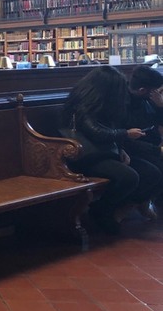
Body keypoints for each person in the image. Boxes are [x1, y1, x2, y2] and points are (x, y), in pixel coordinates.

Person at [61, 66, 161, 234]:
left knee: (152, 173)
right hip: (86, 155)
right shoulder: (83, 105)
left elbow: (111, 128)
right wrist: (126, 134)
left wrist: (121, 148)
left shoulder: (104, 102)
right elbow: (96, 132)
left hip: (106, 151)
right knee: (128, 176)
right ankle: (102, 211)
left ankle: (115, 208)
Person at [123, 65, 163, 218]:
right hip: (131, 149)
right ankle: (133, 204)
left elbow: (157, 124)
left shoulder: (150, 100)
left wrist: (161, 107)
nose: (159, 93)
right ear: (142, 90)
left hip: (149, 145)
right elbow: (125, 138)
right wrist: (157, 150)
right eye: (157, 90)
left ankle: (146, 200)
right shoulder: (123, 102)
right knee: (156, 169)